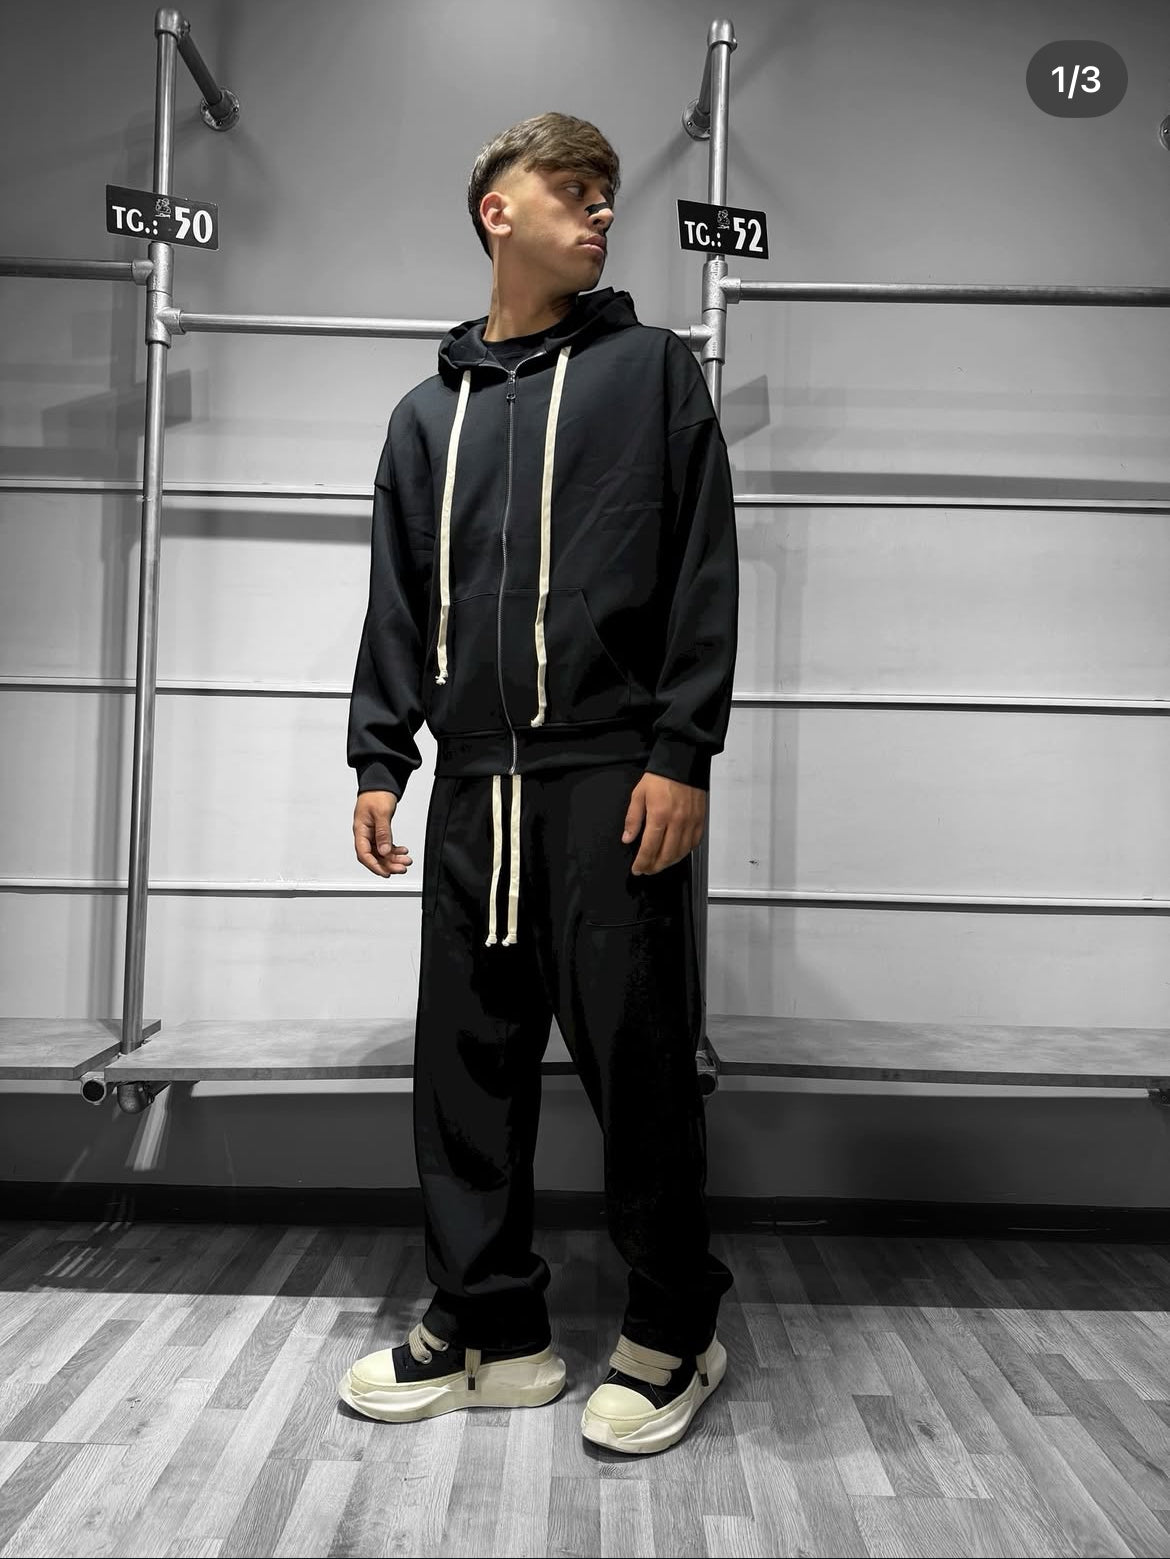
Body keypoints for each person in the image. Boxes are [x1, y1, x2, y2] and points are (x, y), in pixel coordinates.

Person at [339, 111, 739, 1456]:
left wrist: (680, 749)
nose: (600, 211)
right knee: (464, 1073)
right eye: (573, 190)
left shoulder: (652, 373)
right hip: (472, 790)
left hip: (607, 779)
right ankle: (491, 1329)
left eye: (608, 195)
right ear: (496, 211)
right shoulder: (425, 417)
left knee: (640, 1071)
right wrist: (380, 758)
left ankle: (672, 1328)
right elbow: (397, 600)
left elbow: (700, 566)